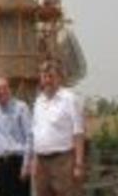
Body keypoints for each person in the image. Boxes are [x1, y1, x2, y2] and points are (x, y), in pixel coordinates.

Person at [31, 60, 85, 196]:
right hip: (41, 162)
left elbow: (78, 133)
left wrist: (78, 164)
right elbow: (36, 133)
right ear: (41, 79)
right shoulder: (38, 101)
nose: (48, 80)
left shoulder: (70, 99)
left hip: (62, 161)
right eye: (44, 76)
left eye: (51, 76)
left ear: (59, 78)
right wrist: (35, 161)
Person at [0, 76, 32, 196]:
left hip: (17, 162)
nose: (1, 91)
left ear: (9, 89)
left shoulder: (21, 107)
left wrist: (26, 164)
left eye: (4, 88)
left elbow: (29, 137)